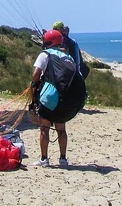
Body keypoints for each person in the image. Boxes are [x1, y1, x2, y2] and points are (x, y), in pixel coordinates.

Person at [29, 29, 86, 168]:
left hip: (50, 99)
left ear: (47, 42)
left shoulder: (45, 54)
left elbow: (35, 75)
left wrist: (35, 85)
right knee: (61, 129)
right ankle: (63, 159)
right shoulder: (67, 56)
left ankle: (44, 159)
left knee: (44, 128)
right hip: (66, 99)